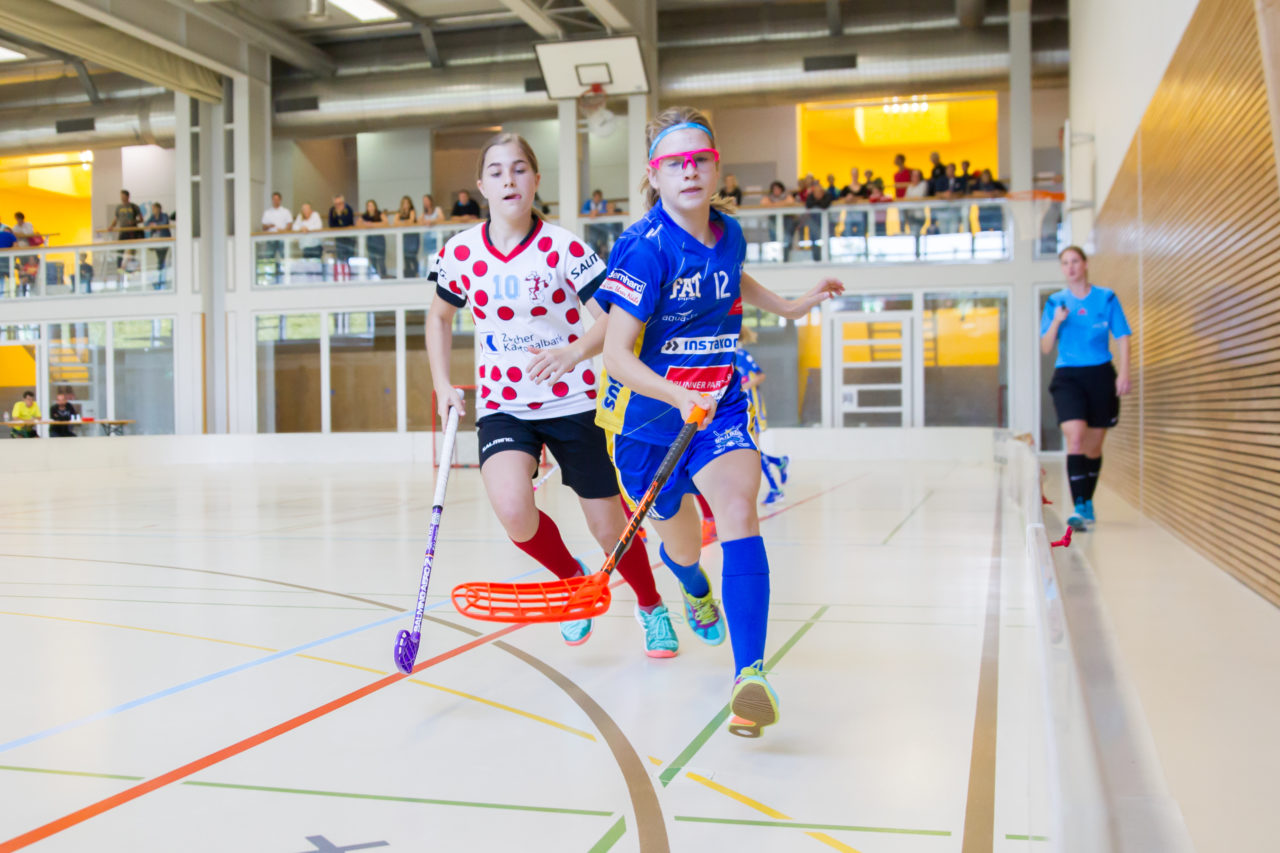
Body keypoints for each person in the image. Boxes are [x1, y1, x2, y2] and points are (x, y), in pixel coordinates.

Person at [595, 106, 843, 736]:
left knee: (737, 508)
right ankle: (693, 584)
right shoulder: (643, 249)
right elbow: (618, 355)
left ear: (716, 167)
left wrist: (787, 307)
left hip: (720, 405)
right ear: (655, 175)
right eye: (675, 163)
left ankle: (749, 677)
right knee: (679, 544)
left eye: (700, 159)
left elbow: (731, 275)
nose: (689, 171)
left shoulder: (729, 232)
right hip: (649, 423)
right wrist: (676, 395)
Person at [426, 132, 674, 656]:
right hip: (503, 405)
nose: (508, 179)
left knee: (609, 525)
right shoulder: (461, 253)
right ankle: (572, 582)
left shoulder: (564, 247)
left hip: (574, 402)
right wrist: (441, 383)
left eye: (519, 169)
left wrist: (574, 352)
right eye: (496, 171)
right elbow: (439, 315)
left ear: (536, 180)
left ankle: (650, 604)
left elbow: (611, 318)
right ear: (480, 186)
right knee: (515, 510)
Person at [1040, 246, 1132, 531]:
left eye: (1075, 261)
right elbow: (1045, 348)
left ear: (1085, 264)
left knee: (1093, 446)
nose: (1070, 267)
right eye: (1065, 263)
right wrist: (1056, 322)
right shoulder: (1056, 302)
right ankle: (1079, 504)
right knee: (1075, 437)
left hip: (1101, 374)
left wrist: (1124, 373)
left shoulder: (1106, 298)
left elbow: (1122, 336)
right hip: (1068, 376)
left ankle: (1087, 501)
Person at [735, 326, 789, 504]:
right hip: (737, 410)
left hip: (752, 409)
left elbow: (760, 375)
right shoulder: (723, 358)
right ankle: (778, 462)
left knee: (753, 451)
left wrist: (744, 387)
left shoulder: (742, 355)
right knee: (749, 451)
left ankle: (775, 488)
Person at [107, 190, 145, 273]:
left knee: (132, 250)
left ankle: (132, 268)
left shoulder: (134, 207)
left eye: (123, 196)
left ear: (127, 196)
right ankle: (119, 267)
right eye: (121, 196)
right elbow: (116, 219)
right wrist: (111, 226)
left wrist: (134, 222)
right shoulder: (119, 207)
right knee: (120, 248)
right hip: (123, 231)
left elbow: (141, 219)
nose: (122, 198)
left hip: (132, 231)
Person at [260, 192, 292, 283]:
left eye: (277, 199)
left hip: (282, 239)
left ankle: (284, 276)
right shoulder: (267, 212)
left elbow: (289, 225)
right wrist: (269, 226)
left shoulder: (286, 212)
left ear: (280, 200)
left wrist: (283, 230)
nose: (275, 201)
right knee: (270, 258)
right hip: (271, 239)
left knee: (283, 258)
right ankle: (270, 277)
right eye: (274, 199)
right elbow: (263, 227)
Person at [358, 199, 387, 279]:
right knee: (372, 260)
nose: (370, 207)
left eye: (372, 205)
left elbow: (385, 223)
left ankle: (383, 276)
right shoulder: (365, 216)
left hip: (379, 240)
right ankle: (375, 276)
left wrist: (373, 225)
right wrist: (365, 224)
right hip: (370, 240)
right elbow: (358, 223)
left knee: (381, 260)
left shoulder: (379, 214)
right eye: (369, 206)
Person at [145, 203, 171, 289]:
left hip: (164, 241)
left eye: (154, 209)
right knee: (159, 262)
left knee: (161, 261)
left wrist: (155, 225)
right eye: (152, 209)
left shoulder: (164, 216)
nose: (153, 211)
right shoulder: (153, 217)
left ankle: (161, 281)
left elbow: (163, 224)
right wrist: (154, 225)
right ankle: (160, 280)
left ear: (159, 209)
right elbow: (146, 224)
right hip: (156, 242)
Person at [393, 196, 418, 277]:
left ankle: (415, 272)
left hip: (412, 237)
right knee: (405, 257)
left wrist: (402, 223)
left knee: (412, 256)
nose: (405, 205)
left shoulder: (412, 211)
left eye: (407, 203)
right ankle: (408, 273)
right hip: (404, 238)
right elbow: (395, 223)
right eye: (404, 203)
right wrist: (405, 223)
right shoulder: (399, 213)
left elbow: (411, 221)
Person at [328, 195, 355, 270]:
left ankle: (350, 272)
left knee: (349, 256)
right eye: (336, 204)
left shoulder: (348, 209)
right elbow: (332, 225)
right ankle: (342, 273)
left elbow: (348, 223)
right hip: (339, 238)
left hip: (349, 238)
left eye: (339, 203)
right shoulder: (332, 211)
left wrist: (340, 215)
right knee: (340, 257)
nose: (338, 206)